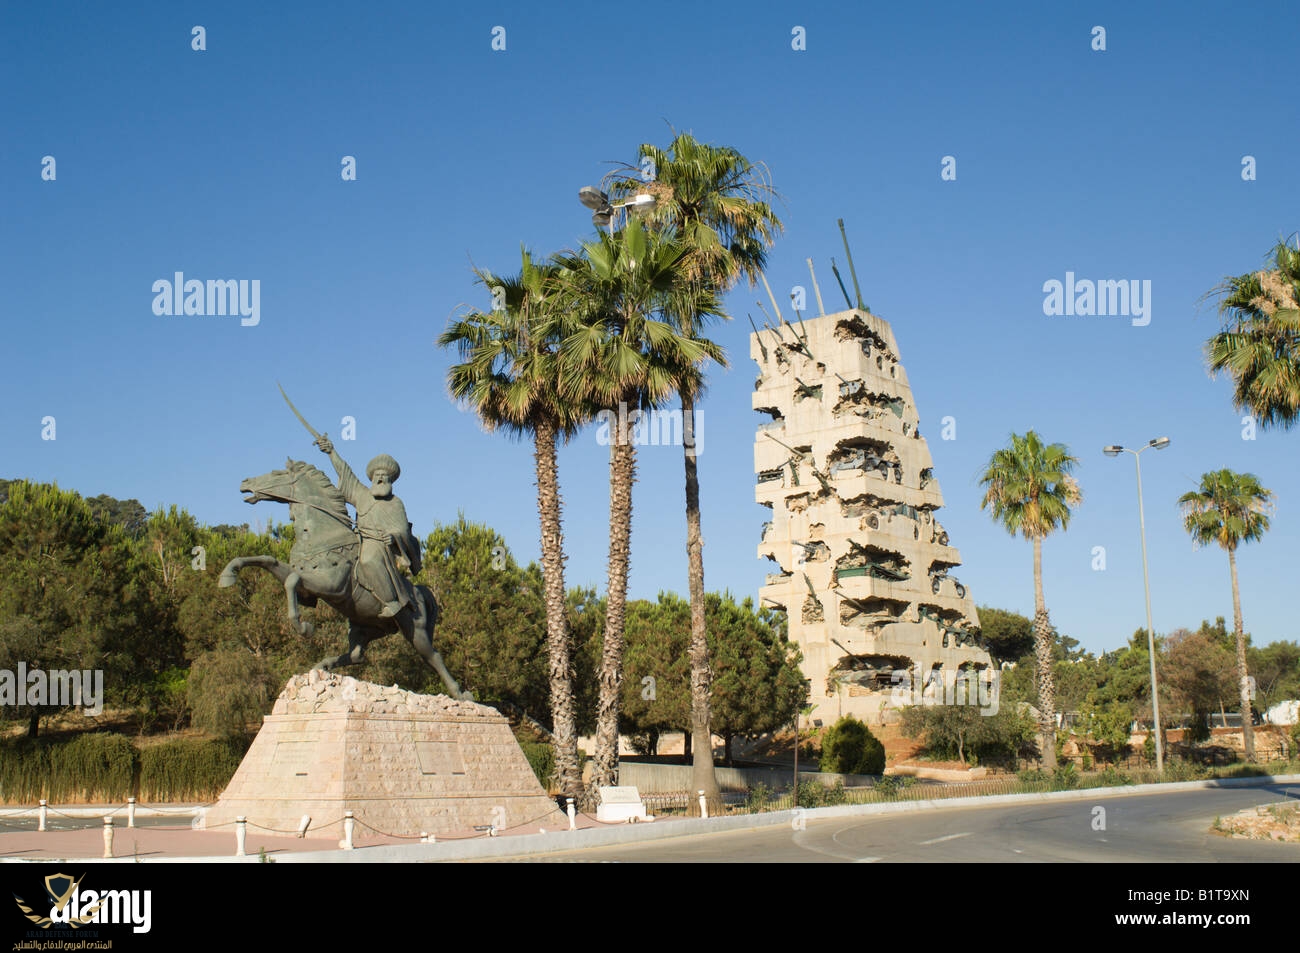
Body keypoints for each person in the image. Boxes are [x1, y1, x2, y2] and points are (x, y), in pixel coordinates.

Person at [316, 436, 421, 619]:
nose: (380, 479)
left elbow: (403, 530)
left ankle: (392, 602)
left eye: (384, 476)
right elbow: (345, 473)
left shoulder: (395, 503)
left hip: (378, 544)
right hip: (357, 538)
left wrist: (394, 536)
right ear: (372, 478)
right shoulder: (362, 495)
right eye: (377, 476)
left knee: (368, 559)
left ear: (390, 480)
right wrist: (331, 452)